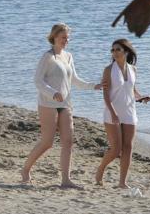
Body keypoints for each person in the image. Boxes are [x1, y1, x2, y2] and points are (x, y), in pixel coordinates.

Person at [21, 23, 102, 188]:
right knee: (47, 142)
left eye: (67, 37)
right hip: (47, 104)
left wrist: (94, 86)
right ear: (54, 37)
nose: (66, 40)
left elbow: (75, 80)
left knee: (68, 141)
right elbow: (38, 81)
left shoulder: (69, 56)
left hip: (65, 104)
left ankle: (66, 180)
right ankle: (25, 170)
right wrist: (52, 92)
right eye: (63, 37)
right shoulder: (48, 57)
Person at [95, 39, 150, 188]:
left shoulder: (133, 69)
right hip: (112, 112)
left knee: (128, 147)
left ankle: (122, 182)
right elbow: (106, 94)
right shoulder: (108, 70)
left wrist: (142, 97)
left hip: (129, 111)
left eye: (117, 49)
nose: (114, 52)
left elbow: (132, 90)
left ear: (126, 51)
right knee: (115, 149)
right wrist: (113, 113)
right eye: (112, 50)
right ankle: (100, 169)